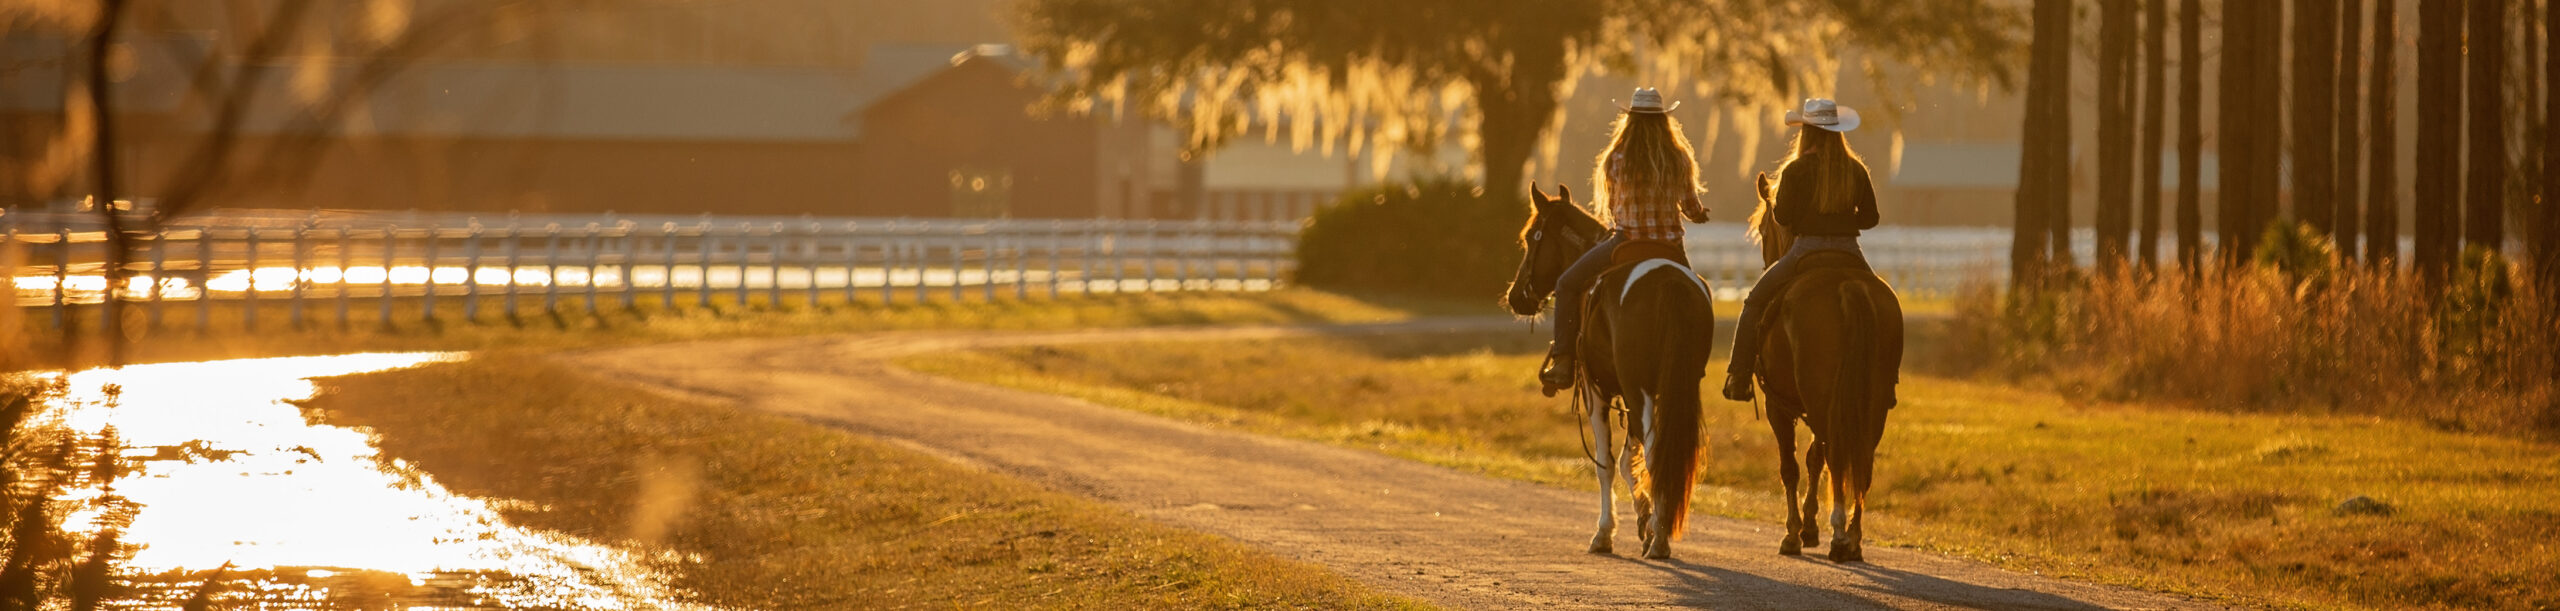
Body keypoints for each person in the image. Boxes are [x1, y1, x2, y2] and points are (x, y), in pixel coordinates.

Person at [1538, 87, 1710, 395]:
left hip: (1626, 243)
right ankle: (1696, 363)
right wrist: (1698, 214)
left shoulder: (1616, 158)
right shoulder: (1679, 157)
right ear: (1663, 121)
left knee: (1567, 284)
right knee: (1700, 293)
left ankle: (1564, 360)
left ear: (1629, 120)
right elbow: (1690, 206)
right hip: (1670, 248)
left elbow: (1614, 208)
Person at [1721, 98, 1880, 402]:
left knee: (1754, 302)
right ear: (1837, 132)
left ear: (1805, 133)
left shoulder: (1795, 170)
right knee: (1882, 304)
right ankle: (1887, 377)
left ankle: (1739, 376)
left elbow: (1783, 218)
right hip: (1849, 250)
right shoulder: (1856, 170)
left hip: (1806, 250)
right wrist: (1845, 221)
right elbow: (1871, 218)